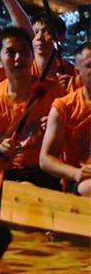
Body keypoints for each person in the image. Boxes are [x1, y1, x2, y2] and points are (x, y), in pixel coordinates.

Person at [0, 27, 67, 190]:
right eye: (10, 52)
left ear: (32, 55)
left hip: (47, 171)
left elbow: (73, 137)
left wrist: (57, 128)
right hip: (8, 174)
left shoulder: (54, 91)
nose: (18, 57)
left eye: (23, 51)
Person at [40, 43, 91, 197]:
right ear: (77, 72)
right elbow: (45, 159)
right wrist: (75, 173)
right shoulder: (64, 106)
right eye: (90, 66)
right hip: (81, 182)